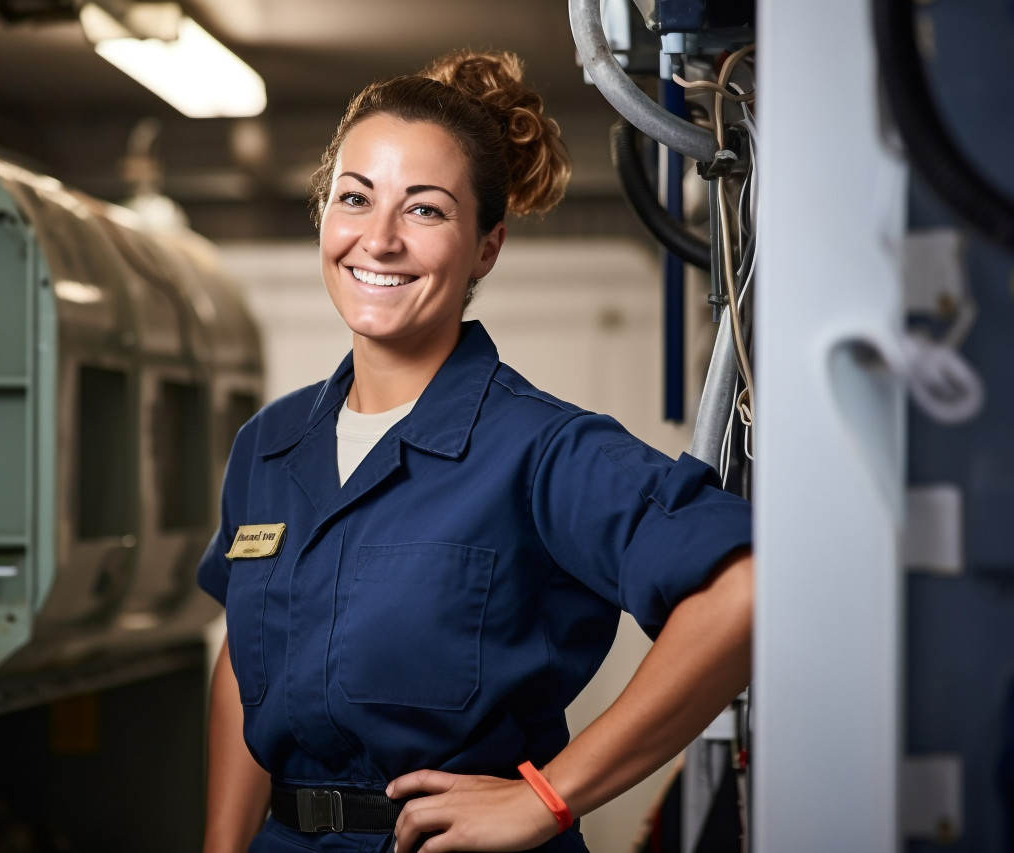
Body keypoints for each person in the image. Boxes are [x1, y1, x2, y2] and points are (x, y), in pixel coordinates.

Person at [198, 49, 753, 853]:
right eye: (355, 198)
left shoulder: (541, 447)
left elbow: (743, 589)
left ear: (486, 247)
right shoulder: (270, 446)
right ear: (325, 212)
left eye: (424, 210)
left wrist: (549, 797)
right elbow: (245, 667)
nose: (379, 239)